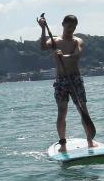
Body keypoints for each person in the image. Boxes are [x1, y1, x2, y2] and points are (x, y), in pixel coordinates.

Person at [38, 14, 95, 152]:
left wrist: (63, 56)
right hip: (61, 81)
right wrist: (43, 28)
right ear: (63, 24)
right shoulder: (55, 41)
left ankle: (90, 141)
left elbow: (77, 55)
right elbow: (43, 47)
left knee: (83, 110)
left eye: (74, 27)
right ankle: (63, 144)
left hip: (75, 79)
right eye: (69, 26)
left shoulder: (77, 41)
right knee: (62, 112)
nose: (71, 29)